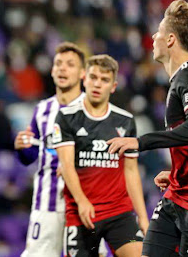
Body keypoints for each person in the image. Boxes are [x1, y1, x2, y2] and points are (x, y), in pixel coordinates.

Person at [107, 0, 188, 257]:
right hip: (180, 192)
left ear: (170, 40)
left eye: (159, 31)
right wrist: (181, 168)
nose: (154, 36)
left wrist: (140, 142)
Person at [54, 55, 148, 257]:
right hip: (81, 214)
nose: (97, 84)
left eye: (104, 80)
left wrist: (142, 217)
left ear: (113, 86)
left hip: (119, 214)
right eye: (93, 77)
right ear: (84, 79)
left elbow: (131, 171)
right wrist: (82, 201)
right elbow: (67, 165)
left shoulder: (125, 121)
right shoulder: (67, 117)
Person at [14, 42, 85, 256]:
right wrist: (22, 148)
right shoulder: (42, 109)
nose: (62, 68)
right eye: (58, 64)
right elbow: (31, 156)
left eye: (70, 64)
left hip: (85, 202)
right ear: (52, 70)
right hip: (47, 203)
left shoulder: (91, 108)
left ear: (82, 73)